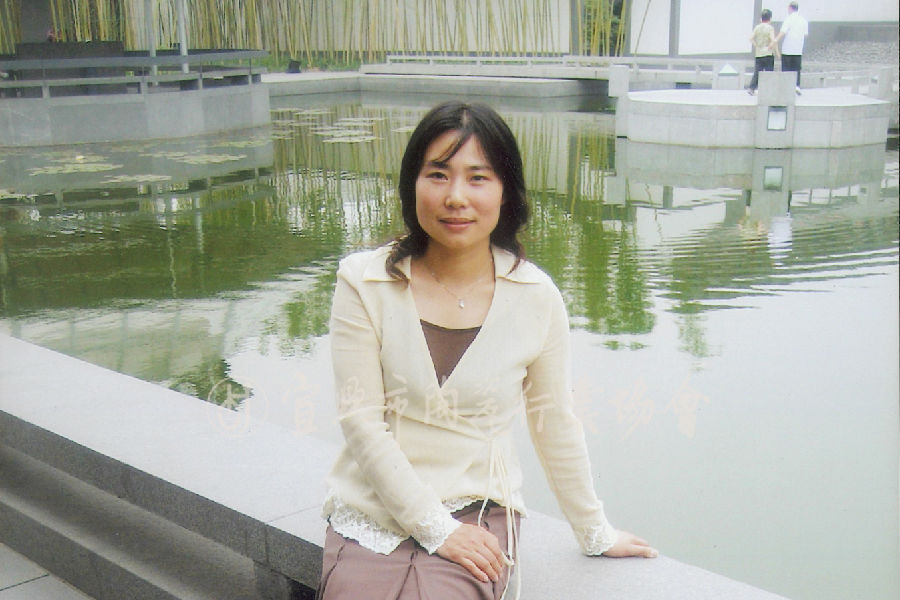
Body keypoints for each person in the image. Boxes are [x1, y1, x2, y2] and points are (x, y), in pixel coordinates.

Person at [317, 101, 657, 600]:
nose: (456, 197)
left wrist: (594, 532)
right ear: (413, 185)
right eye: (438, 175)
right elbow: (361, 421)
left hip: (478, 504)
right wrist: (435, 528)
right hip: (373, 506)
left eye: (478, 178)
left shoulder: (535, 298)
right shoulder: (364, 281)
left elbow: (553, 422)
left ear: (506, 192)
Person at [772, 1, 808, 93]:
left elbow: (783, 32)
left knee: (786, 69)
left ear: (790, 8)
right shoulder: (803, 20)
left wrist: (775, 41)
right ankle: (797, 86)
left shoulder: (788, 19)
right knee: (796, 69)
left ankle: (786, 87)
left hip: (787, 49)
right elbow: (805, 34)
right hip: (798, 49)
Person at [747, 9, 777, 96]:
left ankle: (752, 88)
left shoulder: (757, 27)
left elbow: (750, 38)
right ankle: (767, 90)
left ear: (761, 18)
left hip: (759, 53)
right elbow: (773, 40)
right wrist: (772, 47)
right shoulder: (770, 28)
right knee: (768, 73)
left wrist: (756, 45)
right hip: (768, 53)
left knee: (757, 72)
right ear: (770, 18)